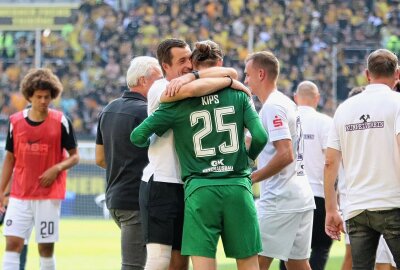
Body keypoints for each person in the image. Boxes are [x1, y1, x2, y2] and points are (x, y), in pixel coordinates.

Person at [131, 40, 267, 270]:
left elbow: (137, 136)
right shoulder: (239, 94)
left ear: (194, 65)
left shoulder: (178, 98)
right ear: (220, 63)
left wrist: (155, 140)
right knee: (249, 264)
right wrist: (246, 159)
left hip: (199, 189)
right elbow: (261, 137)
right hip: (237, 186)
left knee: (203, 263)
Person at [324, 48, 400, 270]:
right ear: (397, 74)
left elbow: (329, 162)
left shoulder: (344, 109)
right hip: (392, 202)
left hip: (357, 208)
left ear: (367, 74)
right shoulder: (397, 103)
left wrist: (331, 210)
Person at [0, 68, 79, 270]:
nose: (43, 101)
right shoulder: (15, 122)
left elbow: (75, 156)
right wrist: (2, 191)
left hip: (48, 196)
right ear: (29, 96)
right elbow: (9, 158)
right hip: (20, 194)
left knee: (45, 248)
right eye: (39, 97)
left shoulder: (61, 121)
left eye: (47, 97)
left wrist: (56, 168)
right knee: (12, 244)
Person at [244, 51, 315, 270]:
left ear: (261, 74)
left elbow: (285, 154)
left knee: (253, 263)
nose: (246, 80)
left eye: (247, 75)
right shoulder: (283, 102)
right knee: (298, 265)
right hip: (300, 197)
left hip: (280, 200)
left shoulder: (273, 106)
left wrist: (252, 178)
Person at [95, 56, 163, 270]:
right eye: (158, 79)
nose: (162, 85)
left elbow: (100, 159)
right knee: (135, 265)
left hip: (115, 198)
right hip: (137, 200)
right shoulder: (147, 112)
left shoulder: (108, 109)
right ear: (143, 81)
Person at [279, 81, 333, 270]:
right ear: (317, 98)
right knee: (320, 247)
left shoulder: (285, 120)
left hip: (289, 194)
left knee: (286, 251)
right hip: (317, 193)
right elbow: (331, 161)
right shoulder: (325, 123)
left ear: (295, 97)